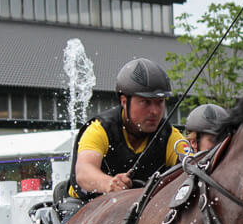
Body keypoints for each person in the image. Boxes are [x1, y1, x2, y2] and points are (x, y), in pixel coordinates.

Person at [66, 58, 188, 200]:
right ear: (124, 102)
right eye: (146, 102)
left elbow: (194, 166)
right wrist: (108, 183)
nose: (155, 111)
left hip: (140, 205)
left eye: (159, 102)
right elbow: (84, 172)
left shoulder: (170, 136)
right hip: (85, 203)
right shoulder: (99, 130)